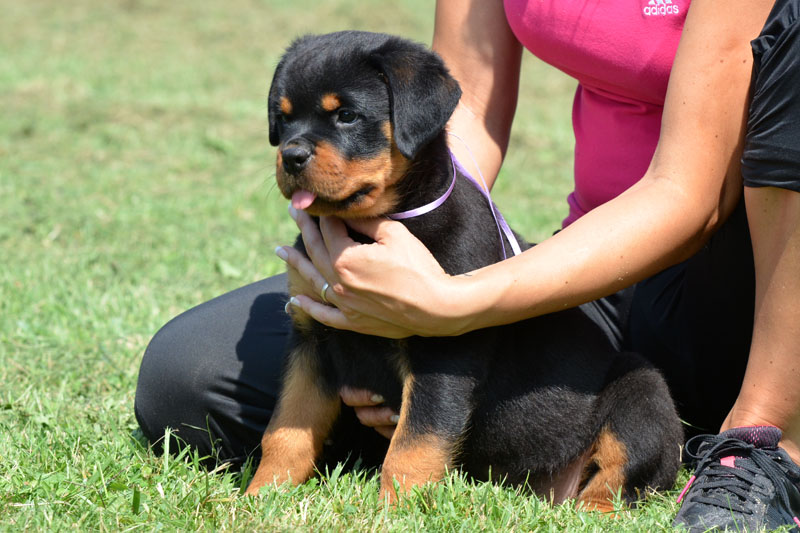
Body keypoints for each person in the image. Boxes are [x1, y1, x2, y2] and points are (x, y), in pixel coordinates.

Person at [135, 0, 800, 529]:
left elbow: (688, 197)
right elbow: (460, 115)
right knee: (188, 376)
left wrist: (459, 301)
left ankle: (768, 441)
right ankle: (448, 425)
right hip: (586, 268)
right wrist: (382, 243)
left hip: (736, 288)